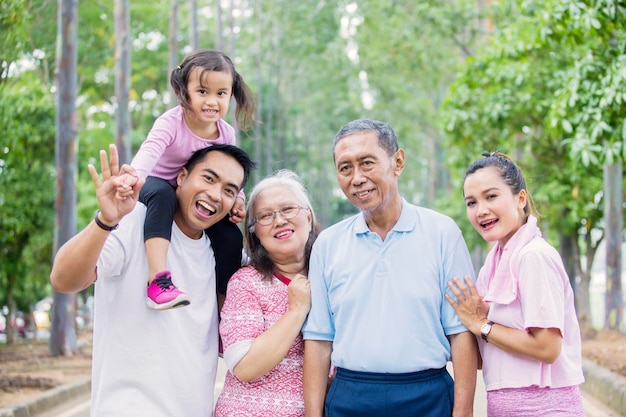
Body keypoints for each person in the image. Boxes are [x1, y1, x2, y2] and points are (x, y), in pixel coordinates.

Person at [50, 144, 255, 417]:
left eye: (229, 190)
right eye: (208, 178)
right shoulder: (135, 221)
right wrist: (105, 220)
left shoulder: (222, 254)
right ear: (181, 177)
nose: (215, 195)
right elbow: (63, 279)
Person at [302, 118, 478, 417]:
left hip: (427, 396)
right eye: (345, 168)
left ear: (398, 162)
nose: (356, 178)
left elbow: (461, 333)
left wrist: (463, 413)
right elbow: (319, 341)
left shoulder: (442, 234)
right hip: (349, 397)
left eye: (367, 163)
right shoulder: (328, 244)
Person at [445, 151, 585, 416]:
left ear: (520, 198)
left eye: (491, 196)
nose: (481, 210)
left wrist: (482, 325)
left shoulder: (533, 257)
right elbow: (492, 353)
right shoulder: (494, 264)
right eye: (471, 202)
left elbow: (547, 348)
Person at [130, 48, 255, 310]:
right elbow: (150, 151)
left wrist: (239, 199)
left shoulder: (225, 133)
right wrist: (133, 178)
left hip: (195, 194)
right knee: (163, 195)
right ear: (184, 91)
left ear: (231, 94)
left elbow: (231, 171)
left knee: (231, 237)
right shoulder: (172, 122)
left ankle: (225, 310)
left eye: (221, 93)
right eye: (202, 92)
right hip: (157, 185)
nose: (212, 101)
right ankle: (158, 280)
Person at [214, 170, 317, 417]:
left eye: (288, 209)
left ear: (309, 218)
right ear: (254, 233)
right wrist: (296, 311)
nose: (279, 220)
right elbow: (245, 366)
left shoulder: (332, 277)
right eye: (265, 216)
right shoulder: (245, 283)